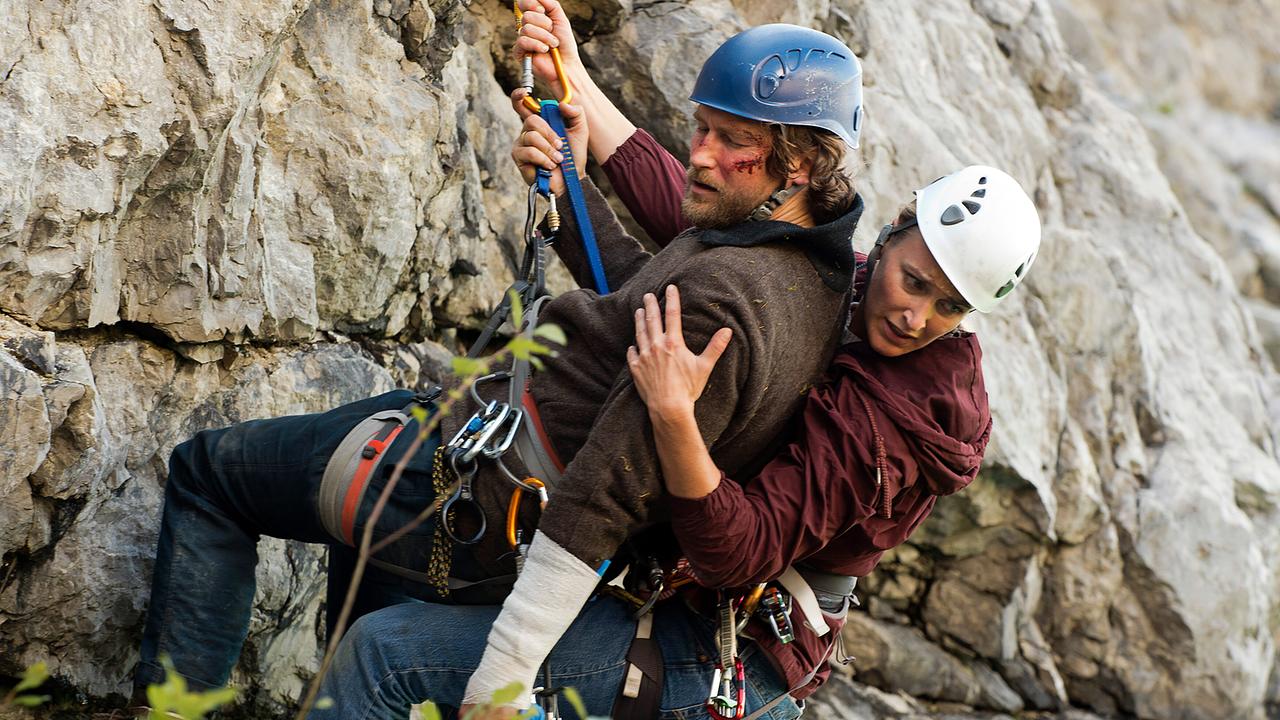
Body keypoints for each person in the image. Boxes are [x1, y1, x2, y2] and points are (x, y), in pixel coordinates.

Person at [305, 5, 1041, 719]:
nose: (917, 316)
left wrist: (674, 417)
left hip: (730, 650)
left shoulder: (893, 420)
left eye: (948, 308)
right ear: (892, 233)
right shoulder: (838, 283)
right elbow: (686, 231)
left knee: (385, 655)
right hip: (680, 590)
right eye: (914, 281)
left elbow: (742, 550)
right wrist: (578, 88)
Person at [133, 13, 868, 717]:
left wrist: (505, 673)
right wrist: (566, 186)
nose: (698, 152)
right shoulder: (804, 269)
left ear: (799, 163)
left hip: (477, 492)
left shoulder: (731, 300)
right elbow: (636, 302)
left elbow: (605, 494)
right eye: (702, 126)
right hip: (492, 482)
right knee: (364, 603)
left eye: (727, 138)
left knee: (210, 477)